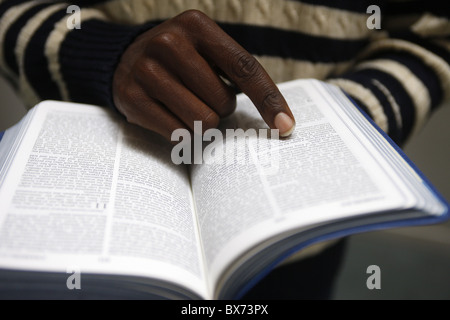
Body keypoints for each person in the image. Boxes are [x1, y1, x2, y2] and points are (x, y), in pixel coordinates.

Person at [0, 0, 448, 299]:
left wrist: (344, 121)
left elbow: (432, 33)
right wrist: (102, 53)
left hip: (298, 242)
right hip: (102, 239)